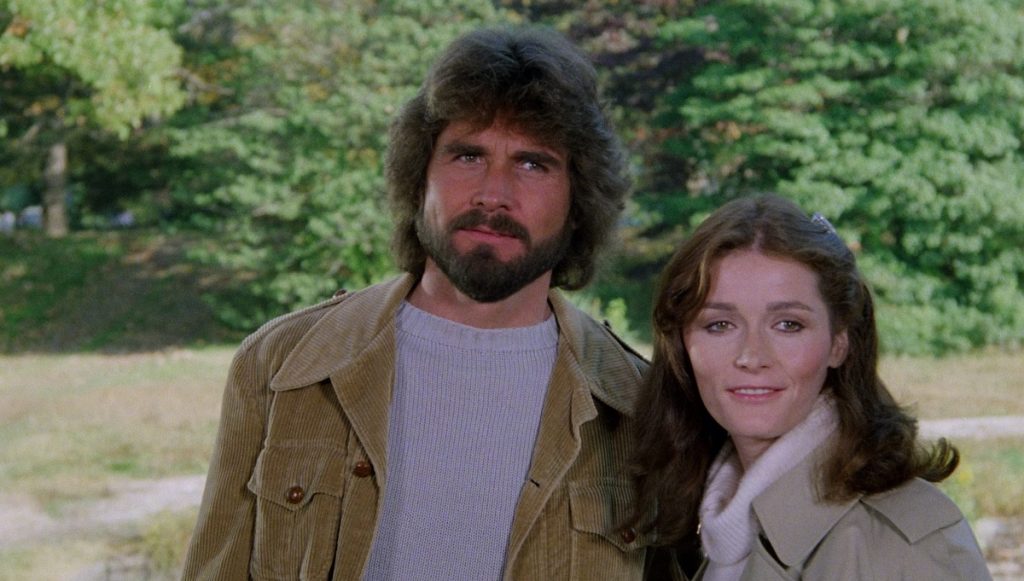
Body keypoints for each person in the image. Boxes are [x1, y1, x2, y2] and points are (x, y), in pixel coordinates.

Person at [182, 25, 658, 581]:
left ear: (580, 200)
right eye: (468, 155)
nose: (494, 193)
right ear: (418, 178)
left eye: (533, 163)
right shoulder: (280, 364)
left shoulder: (642, 407)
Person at [631, 194, 991, 580]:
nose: (751, 356)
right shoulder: (715, 530)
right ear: (682, 345)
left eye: (788, 324)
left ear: (839, 342)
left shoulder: (906, 547)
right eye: (719, 325)